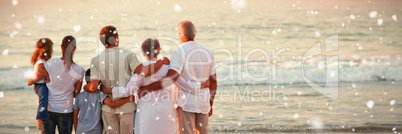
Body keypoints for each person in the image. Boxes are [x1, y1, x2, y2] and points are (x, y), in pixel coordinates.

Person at [102, 37, 210, 134]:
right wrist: (201, 85)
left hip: (146, 112)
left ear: (143, 53)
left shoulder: (141, 70)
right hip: (166, 111)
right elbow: (183, 84)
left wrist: (108, 90)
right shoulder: (168, 68)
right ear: (159, 50)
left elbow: (128, 91)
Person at [83, 25, 168, 134]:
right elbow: (144, 71)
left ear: (102, 42)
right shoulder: (128, 54)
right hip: (127, 108)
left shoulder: (95, 60)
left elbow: (93, 86)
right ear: (116, 38)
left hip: (108, 109)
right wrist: (160, 62)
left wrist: (85, 86)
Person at [138, 21, 217, 134]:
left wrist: (147, 88)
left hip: (185, 103)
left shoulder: (179, 52)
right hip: (203, 102)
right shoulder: (209, 53)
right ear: (194, 33)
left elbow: (171, 78)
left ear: (180, 34)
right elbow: (213, 82)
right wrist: (210, 103)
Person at [41, 35, 85, 134]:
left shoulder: (49, 63)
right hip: (66, 111)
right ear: (75, 49)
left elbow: (41, 82)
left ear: (61, 47)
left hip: (48, 109)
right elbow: (76, 94)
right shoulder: (80, 70)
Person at [73, 69, 135, 134]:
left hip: (81, 129)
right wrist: (128, 99)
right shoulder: (100, 94)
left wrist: (77, 130)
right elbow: (112, 104)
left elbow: (75, 116)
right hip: (95, 130)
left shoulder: (78, 97)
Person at [27, 38, 53, 133]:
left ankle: (44, 119)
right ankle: (40, 118)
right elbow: (39, 69)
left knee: (44, 100)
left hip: (42, 84)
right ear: (48, 49)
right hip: (39, 84)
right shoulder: (41, 60)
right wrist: (47, 75)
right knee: (43, 99)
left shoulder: (43, 59)